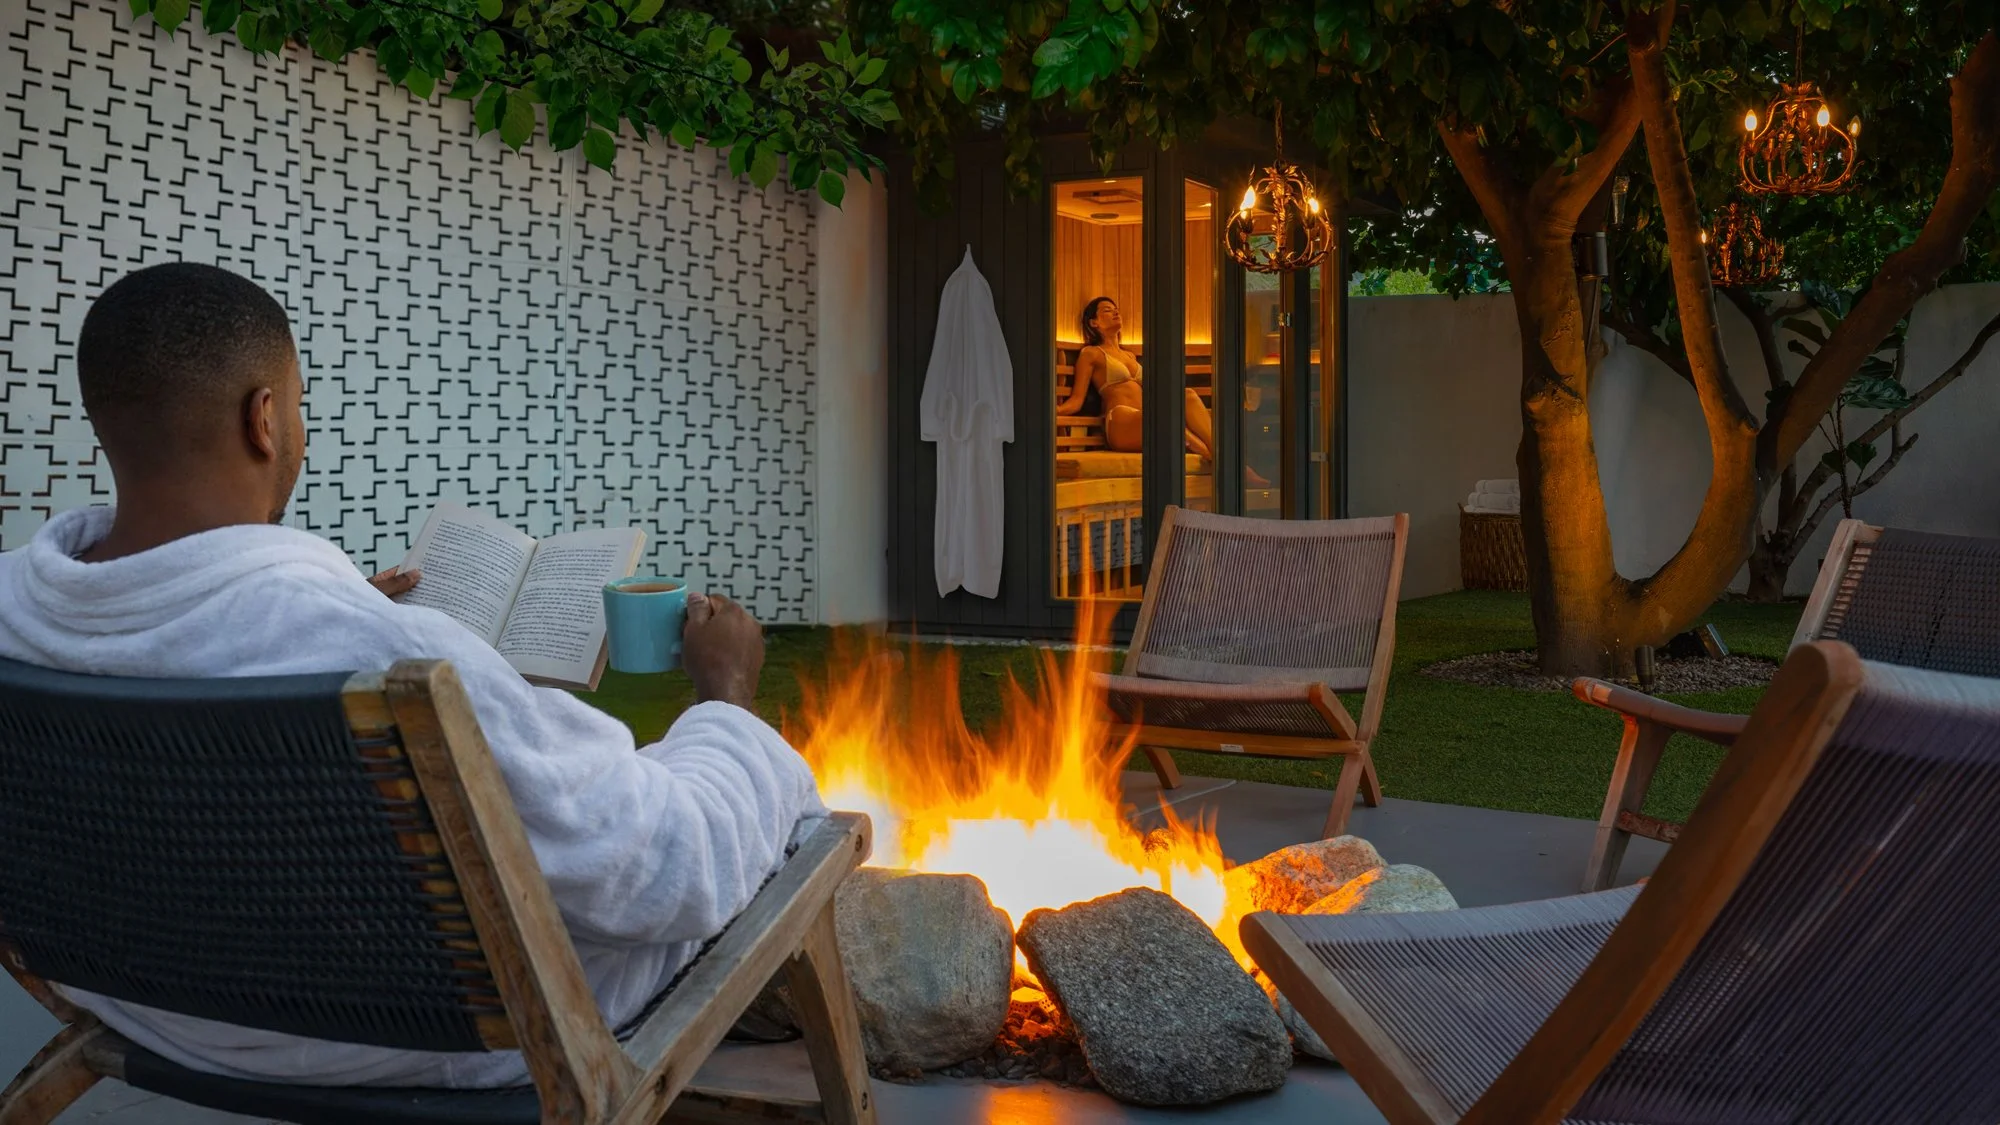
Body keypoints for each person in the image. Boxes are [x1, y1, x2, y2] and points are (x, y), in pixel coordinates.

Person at [0, 263, 825, 1088]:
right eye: (296, 404)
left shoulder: (16, 611)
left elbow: (189, 650)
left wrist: (315, 613)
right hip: (425, 1041)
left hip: (153, 1008)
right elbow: (670, 870)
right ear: (262, 419)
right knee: (784, 822)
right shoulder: (377, 652)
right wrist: (728, 696)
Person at [1055, 296, 1215, 458]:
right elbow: (1076, 400)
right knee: (1167, 422)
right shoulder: (1091, 353)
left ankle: (1216, 453)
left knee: (1188, 395)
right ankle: (1216, 460)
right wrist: (1055, 411)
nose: (1115, 312)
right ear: (1093, 323)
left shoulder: (1130, 356)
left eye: (1116, 309)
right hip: (1121, 421)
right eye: (1107, 310)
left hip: (1147, 417)